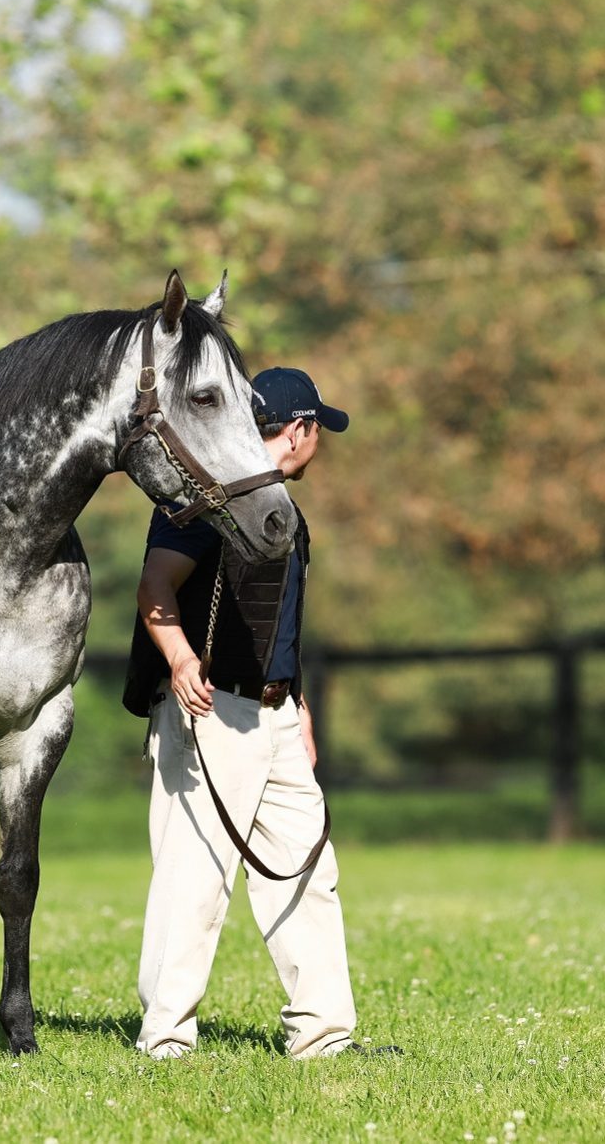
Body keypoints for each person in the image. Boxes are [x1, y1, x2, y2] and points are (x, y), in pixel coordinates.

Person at [123, 366, 381, 1061]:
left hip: (274, 712)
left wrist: (296, 703)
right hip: (211, 709)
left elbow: (278, 620)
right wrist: (180, 661)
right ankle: (166, 1037)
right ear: (298, 429)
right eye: (318, 429)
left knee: (308, 868)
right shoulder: (204, 491)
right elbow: (156, 584)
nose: (318, 442)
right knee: (195, 878)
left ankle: (323, 1035)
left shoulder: (278, 507)